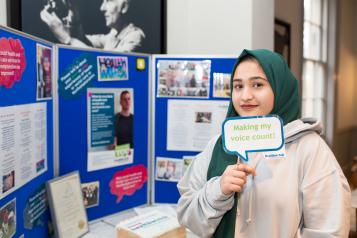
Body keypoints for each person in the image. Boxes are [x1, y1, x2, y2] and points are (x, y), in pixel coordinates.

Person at [177, 49, 351, 238]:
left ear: (280, 88)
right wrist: (218, 190)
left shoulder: (309, 149)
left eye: (257, 85)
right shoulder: (218, 146)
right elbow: (188, 218)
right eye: (238, 86)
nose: (245, 96)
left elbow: (329, 230)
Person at [40, 0, 145, 52]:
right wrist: (73, 10)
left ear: (124, 7)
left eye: (108, 1)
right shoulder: (113, 34)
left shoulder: (135, 36)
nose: (102, 7)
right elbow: (83, 40)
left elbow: (104, 65)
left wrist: (67, 39)